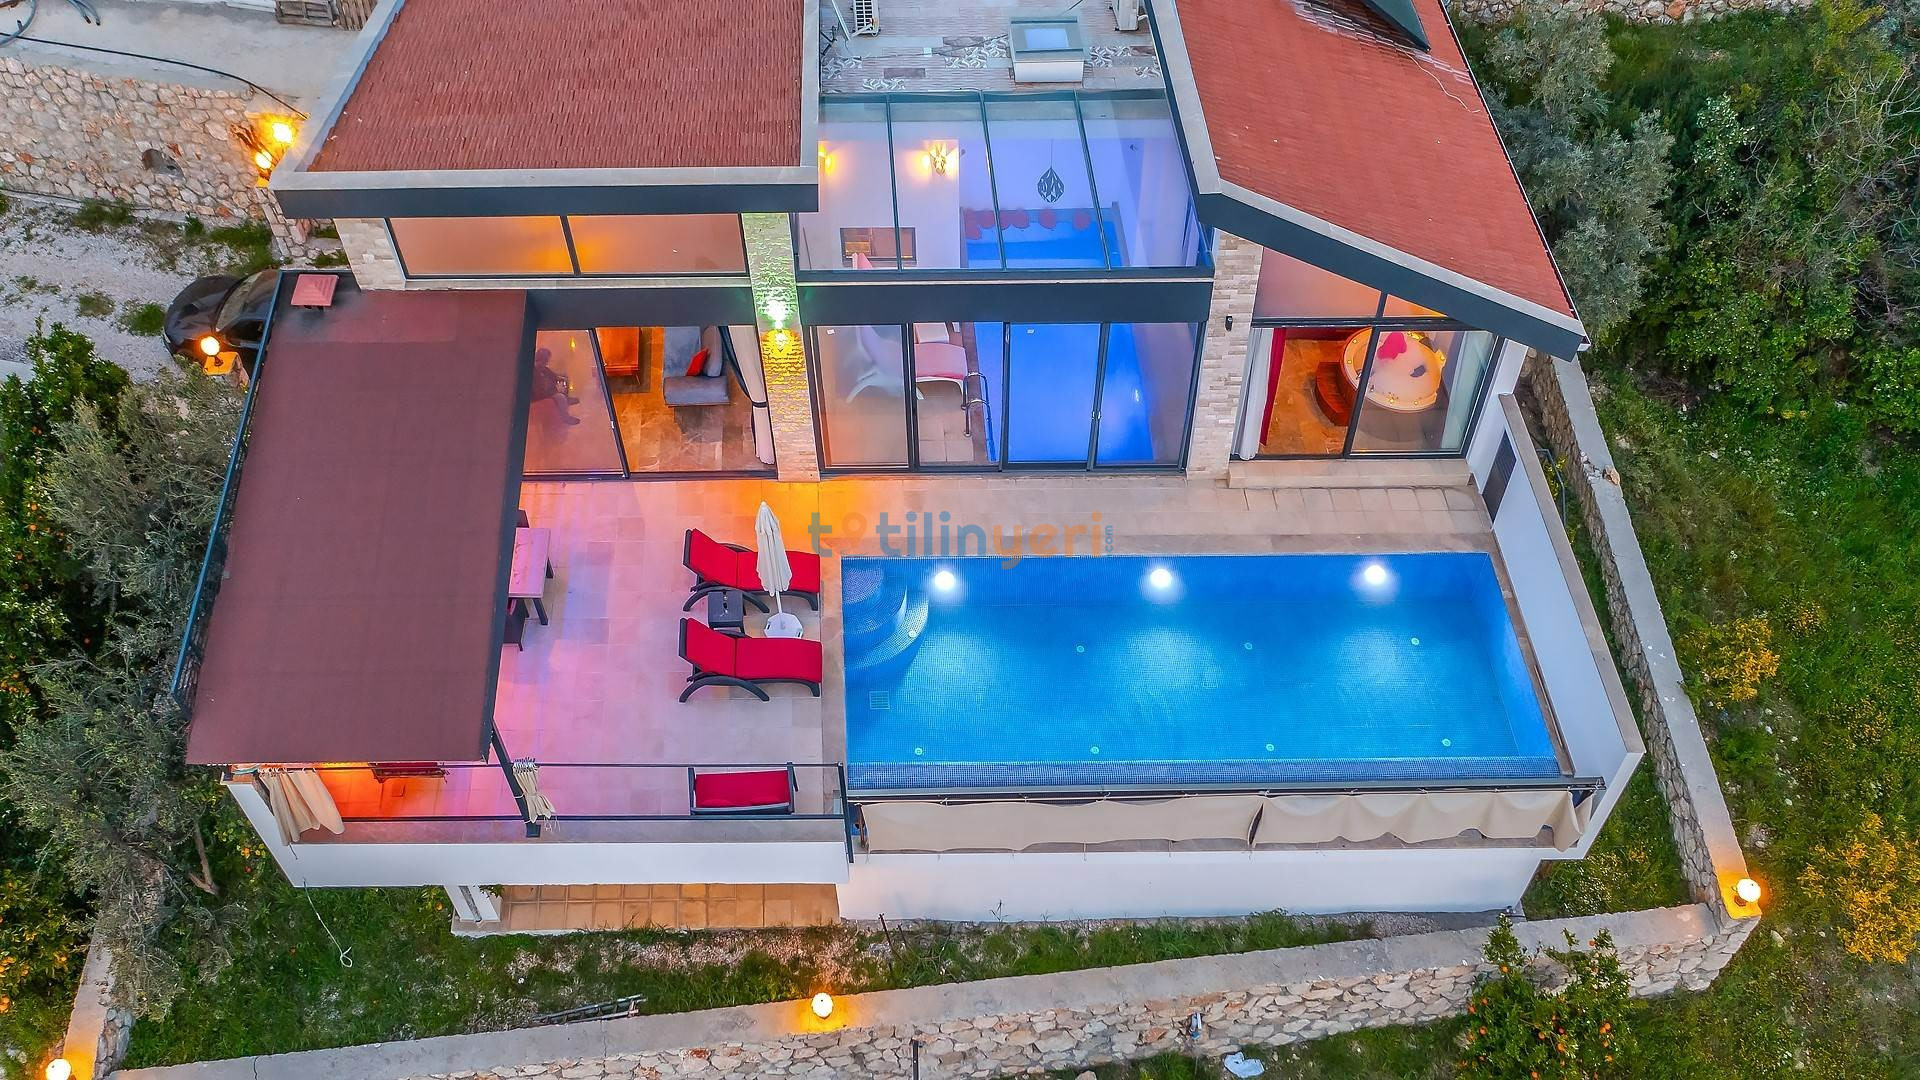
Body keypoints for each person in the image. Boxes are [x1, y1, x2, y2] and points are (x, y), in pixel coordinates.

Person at [532, 347, 581, 425]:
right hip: (539, 395)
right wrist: (552, 391)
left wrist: (562, 377)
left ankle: (566, 399)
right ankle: (566, 418)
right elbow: (539, 388)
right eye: (546, 360)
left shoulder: (544, 369)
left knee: (561, 391)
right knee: (560, 397)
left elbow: (554, 376)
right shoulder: (534, 371)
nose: (546, 362)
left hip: (546, 392)